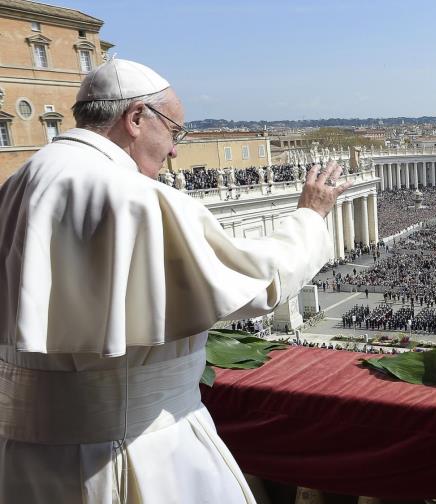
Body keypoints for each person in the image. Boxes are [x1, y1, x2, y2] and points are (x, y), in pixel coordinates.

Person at [0, 59, 350, 503]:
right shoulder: (138, 198)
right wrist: (310, 216)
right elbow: (257, 281)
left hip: (24, 460)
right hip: (137, 451)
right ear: (136, 118)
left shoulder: (17, 184)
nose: (174, 152)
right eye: (174, 132)